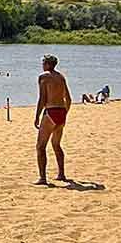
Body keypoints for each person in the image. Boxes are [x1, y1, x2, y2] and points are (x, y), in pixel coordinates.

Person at [34, 54, 72, 184]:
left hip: (51, 111)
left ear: (47, 64)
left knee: (40, 146)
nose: (42, 64)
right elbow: (69, 99)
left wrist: (37, 116)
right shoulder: (61, 77)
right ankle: (61, 174)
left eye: (43, 62)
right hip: (61, 112)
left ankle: (42, 177)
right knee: (56, 144)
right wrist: (65, 113)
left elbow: (42, 98)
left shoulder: (43, 76)